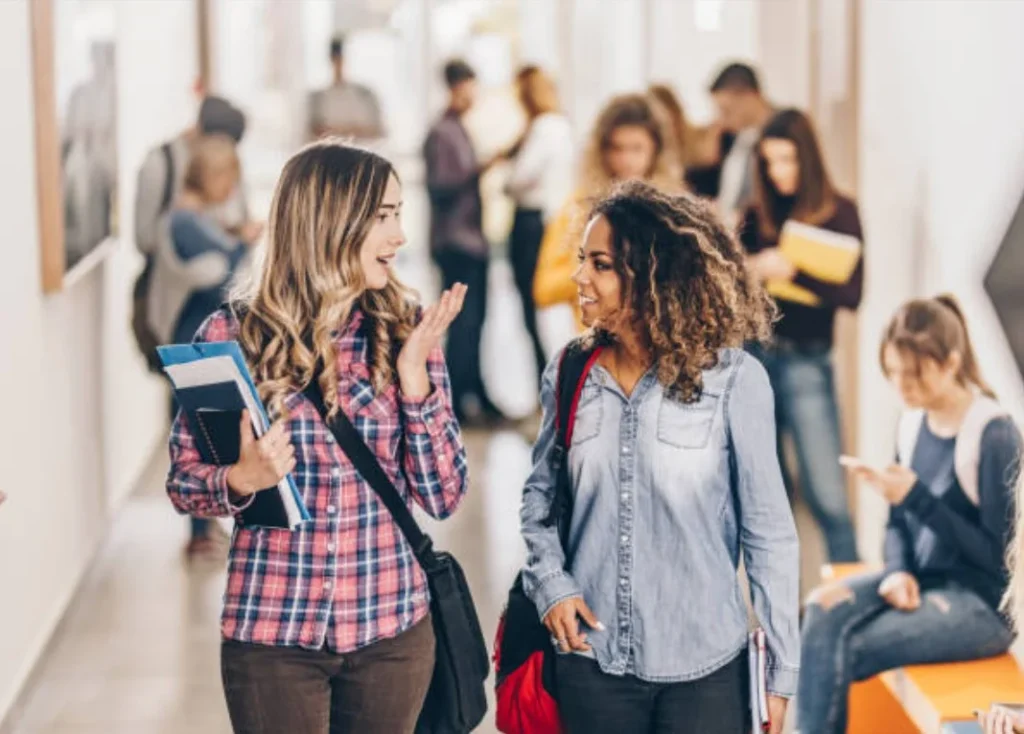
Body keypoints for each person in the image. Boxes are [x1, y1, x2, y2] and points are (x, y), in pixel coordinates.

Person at [166, 141, 470, 733]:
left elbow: (444, 496)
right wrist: (239, 480)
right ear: (329, 220)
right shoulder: (229, 334)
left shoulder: (408, 332)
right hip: (273, 635)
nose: (400, 235)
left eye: (399, 214)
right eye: (383, 216)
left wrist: (415, 383)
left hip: (391, 632)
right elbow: (183, 482)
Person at [521, 180, 800, 733]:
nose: (580, 278)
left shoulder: (735, 381)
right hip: (591, 663)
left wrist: (779, 671)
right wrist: (552, 583)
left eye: (599, 265)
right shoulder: (570, 371)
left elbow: (769, 536)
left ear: (651, 277)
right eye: (583, 260)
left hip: (705, 670)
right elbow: (539, 498)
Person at [799, 295, 1019, 734]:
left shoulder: (994, 433)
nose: (902, 387)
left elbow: (1000, 561)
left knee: (844, 648)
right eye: (893, 372)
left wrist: (916, 497)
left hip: (979, 605)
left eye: (913, 374)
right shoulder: (912, 421)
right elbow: (896, 522)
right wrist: (897, 572)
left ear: (951, 362)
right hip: (920, 584)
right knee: (819, 609)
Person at [740, 108, 861, 563]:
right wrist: (753, 269)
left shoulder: (840, 212)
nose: (778, 173)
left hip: (808, 360)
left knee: (829, 497)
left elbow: (852, 293)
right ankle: (780, 621)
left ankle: (852, 614)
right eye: (770, 163)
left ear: (806, 159)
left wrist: (795, 273)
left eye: (787, 160)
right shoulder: (757, 213)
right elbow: (731, 287)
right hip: (756, 359)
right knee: (767, 502)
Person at [150, 134, 258, 559]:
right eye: (228, 180)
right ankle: (200, 533)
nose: (231, 191)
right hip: (191, 339)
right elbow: (218, 272)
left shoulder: (192, 219)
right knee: (201, 432)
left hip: (195, 338)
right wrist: (244, 243)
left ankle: (204, 529)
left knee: (203, 427)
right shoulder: (184, 222)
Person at [533, 93, 681, 330]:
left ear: (656, 150)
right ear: (602, 151)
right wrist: (598, 266)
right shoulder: (578, 207)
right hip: (596, 346)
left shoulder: (674, 211)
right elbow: (544, 289)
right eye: (617, 149)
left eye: (637, 149)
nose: (626, 160)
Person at [423, 59, 505, 425]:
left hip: (471, 240)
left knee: (477, 322)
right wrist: (479, 170)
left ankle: (475, 393)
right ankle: (458, 402)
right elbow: (442, 186)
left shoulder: (458, 129)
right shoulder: (442, 133)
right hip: (456, 242)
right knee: (464, 324)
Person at [503, 65, 574, 386]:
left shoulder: (545, 128)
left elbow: (519, 179)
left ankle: (545, 384)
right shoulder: (561, 127)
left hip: (532, 223)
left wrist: (507, 177)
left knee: (535, 306)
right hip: (553, 221)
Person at [709, 62, 774, 227]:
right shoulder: (736, 138)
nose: (721, 119)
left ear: (749, 97)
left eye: (726, 110)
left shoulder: (779, 139)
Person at [308, 35, 385, 143]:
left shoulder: (366, 94)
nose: (339, 64)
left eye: (341, 59)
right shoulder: (318, 98)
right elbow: (315, 131)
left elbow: (378, 131)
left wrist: (337, 131)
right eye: (336, 59)